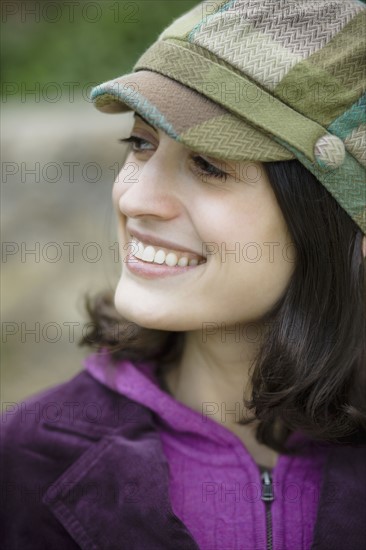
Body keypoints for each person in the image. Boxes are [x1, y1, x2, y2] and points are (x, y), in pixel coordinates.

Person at [1, 1, 365, 549]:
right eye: (142, 143)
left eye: (209, 165)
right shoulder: (24, 460)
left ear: (340, 219)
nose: (138, 198)